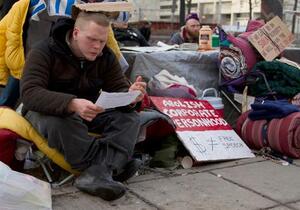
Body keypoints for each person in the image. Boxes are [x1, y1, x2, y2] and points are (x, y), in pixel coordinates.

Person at [20, 11, 146, 201]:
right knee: (62, 122)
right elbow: (29, 93)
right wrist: (71, 103)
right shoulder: (43, 51)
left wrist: (131, 96)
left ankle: (98, 173)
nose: (97, 47)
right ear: (76, 32)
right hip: (47, 112)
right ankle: (111, 166)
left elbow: (118, 87)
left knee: (130, 118)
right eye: (92, 39)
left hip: (89, 112)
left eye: (102, 41)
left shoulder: (105, 56)